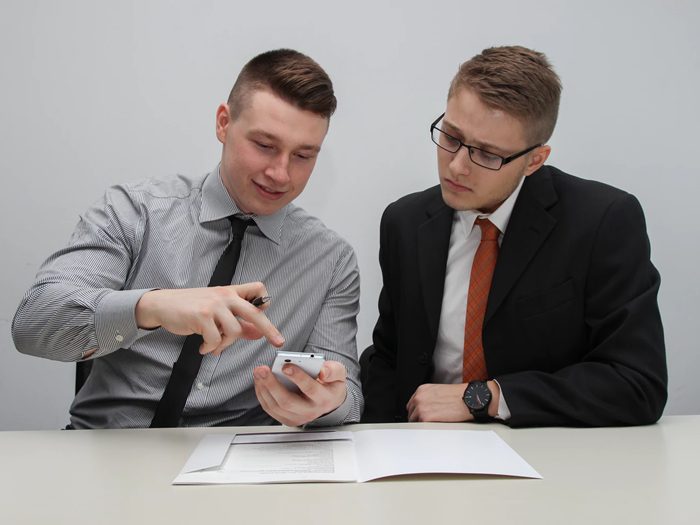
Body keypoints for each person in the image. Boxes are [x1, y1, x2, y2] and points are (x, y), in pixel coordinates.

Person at [12, 49, 363, 429]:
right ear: (224, 123)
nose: (280, 173)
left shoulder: (331, 260)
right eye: (264, 145)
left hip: (237, 467)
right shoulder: (135, 211)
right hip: (108, 448)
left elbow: (348, 394)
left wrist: (328, 402)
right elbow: (33, 322)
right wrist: (152, 308)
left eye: (303, 155)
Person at [361, 46, 667, 427]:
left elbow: (637, 383)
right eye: (451, 137)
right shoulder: (404, 222)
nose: (456, 166)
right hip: (423, 451)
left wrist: (484, 398)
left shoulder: (602, 221)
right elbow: (390, 358)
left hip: (545, 457)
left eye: (487, 155)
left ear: (534, 160)